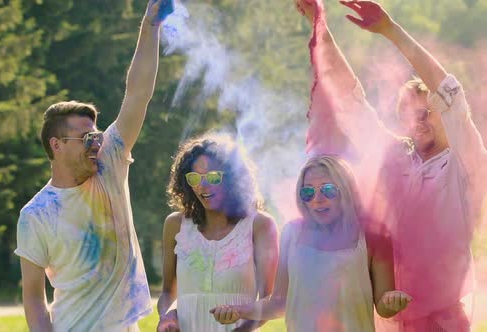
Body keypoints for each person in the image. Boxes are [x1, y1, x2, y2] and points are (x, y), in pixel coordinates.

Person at [296, 0, 487, 330]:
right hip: (384, 318)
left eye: (428, 112)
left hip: (442, 321)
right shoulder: (395, 156)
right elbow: (348, 100)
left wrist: (390, 31)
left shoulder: (464, 163)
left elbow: (450, 94)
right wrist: (320, 26)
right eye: (410, 115)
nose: (419, 121)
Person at [13, 1, 173, 331]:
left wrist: (151, 26)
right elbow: (33, 296)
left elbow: (138, 93)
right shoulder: (36, 214)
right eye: (85, 138)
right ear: (56, 145)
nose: (96, 143)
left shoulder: (109, 165)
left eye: (97, 135)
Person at [211, 155, 411, 331]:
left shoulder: (374, 236)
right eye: (308, 192)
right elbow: (279, 302)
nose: (317, 199)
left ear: (347, 190)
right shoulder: (291, 233)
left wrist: (391, 301)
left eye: (328, 190)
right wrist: (237, 310)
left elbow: (383, 308)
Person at [156, 133, 279, 332]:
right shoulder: (175, 224)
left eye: (213, 177)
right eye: (194, 177)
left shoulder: (260, 225)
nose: (202, 185)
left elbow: (270, 300)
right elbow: (168, 293)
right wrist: (167, 317)